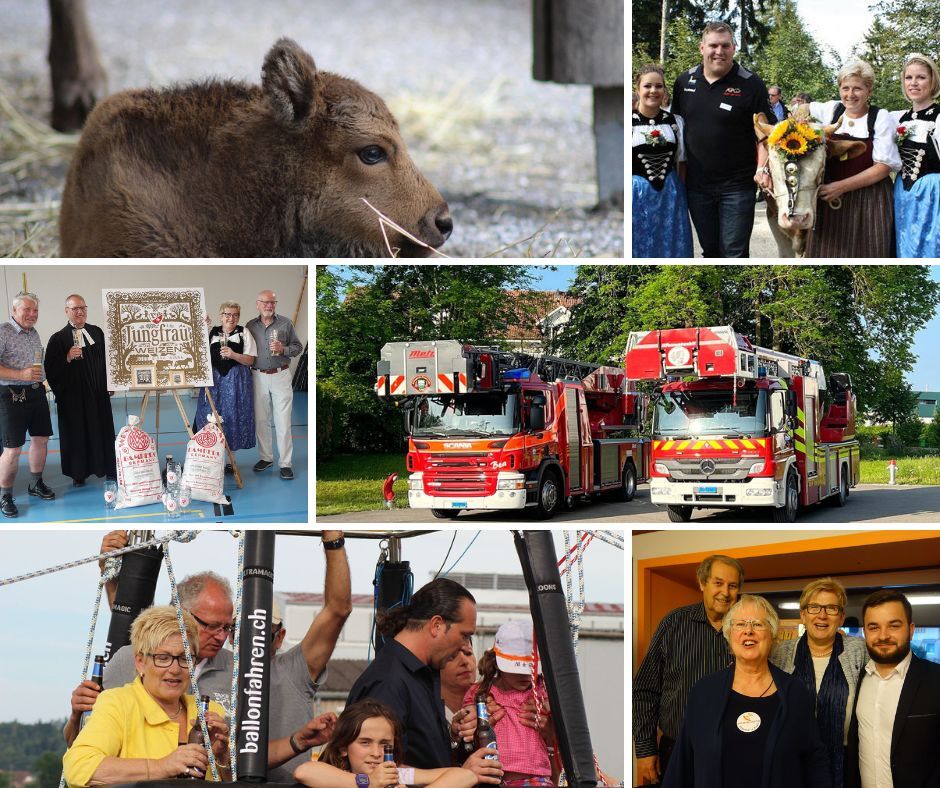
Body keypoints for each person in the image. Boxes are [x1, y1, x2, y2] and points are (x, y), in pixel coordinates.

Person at [65, 529, 350, 782]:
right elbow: (82, 758)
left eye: (228, 628)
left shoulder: (221, 694)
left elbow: (230, 770)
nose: (222, 636)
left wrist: (223, 755)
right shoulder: (123, 678)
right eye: (212, 626)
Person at [662, 594, 830, 788]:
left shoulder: (797, 694)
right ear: (729, 634)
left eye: (758, 624)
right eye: (740, 624)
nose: (748, 631)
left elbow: (815, 763)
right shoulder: (703, 693)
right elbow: (682, 764)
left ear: (772, 634)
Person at [346, 577, 499, 783]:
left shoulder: (420, 673)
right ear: (437, 625)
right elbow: (375, 767)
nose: (464, 646)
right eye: (464, 635)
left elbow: (420, 754)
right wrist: (459, 774)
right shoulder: (388, 681)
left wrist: (453, 738)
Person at [63, 605, 232, 785]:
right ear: (140, 662)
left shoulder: (210, 711)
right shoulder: (118, 703)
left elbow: (239, 782)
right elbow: (79, 767)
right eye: (163, 658)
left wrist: (224, 759)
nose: (174, 669)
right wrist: (162, 766)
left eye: (185, 659)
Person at [633, 554, 743, 784]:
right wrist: (645, 750)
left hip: (733, 752)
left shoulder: (747, 630)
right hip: (676, 750)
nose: (725, 592)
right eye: (718, 583)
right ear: (702, 583)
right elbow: (645, 689)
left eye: (732, 586)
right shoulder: (674, 624)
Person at [670, 21, 774, 257]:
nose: (719, 52)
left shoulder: (751, 83)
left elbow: (765, 135)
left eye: (725, 46)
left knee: (734, 253)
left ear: (734, 48)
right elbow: (676, 131)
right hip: (697, 186)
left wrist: (762, 169)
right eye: (713, 46)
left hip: (737, 187)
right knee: (710, 251)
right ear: (702, 48)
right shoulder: (683, 82)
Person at [771, 577, 867, 788]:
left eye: (831, 608)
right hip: (793, 760)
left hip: (846, 762)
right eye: (814, 607)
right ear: (803, 614)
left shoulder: (859, 651)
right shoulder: (781, 654)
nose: (822, 615)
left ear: (841, 617)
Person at [805, 60, 901, 257]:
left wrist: (841, 187)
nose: (850, 95)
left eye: (857, 88)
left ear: (869, 90)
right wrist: (799, 113)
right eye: (845, 88)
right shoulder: (832, 110)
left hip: (869, 200)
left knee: (869, 250)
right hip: (829, 197)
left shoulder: (879, 117)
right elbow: (806, 107)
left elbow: (883, 167)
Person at [845, 588, 940, 788]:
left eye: (894, 626)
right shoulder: (858, 678)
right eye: (873, 627)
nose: (883, 636)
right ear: (864, 632)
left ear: (911, 629)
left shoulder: (935, 679)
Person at [293, 700, 496, 788]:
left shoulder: (396, 774)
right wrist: (368, 783)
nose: (376, 753)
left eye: (384, 744)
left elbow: (465, 775)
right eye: (365, 743)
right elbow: (304, 771)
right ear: (344, 747)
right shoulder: (338, 777)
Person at [460, 619, 557, 787]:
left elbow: (564, 724)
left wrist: (548, 712)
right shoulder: (481, 692)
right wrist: (473, 714)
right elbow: (465, 719)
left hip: (536, 779)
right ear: (496, 662)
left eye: (531, 670)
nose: (525, 676)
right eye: (516, 669)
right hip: (490, 778)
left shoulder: (543, 691)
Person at [44, 294, 116, 487]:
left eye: (82, 307)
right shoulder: (58, 338)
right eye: (75, 308)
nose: (79, 312)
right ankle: (79, 473)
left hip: (98, 395)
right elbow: (50, 369)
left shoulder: (98, 332)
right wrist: (66, 357)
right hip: (73, 400)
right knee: (77, 435)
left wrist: (112, 383)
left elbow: (109, 361)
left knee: (102, 431)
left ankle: (107, 468)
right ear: (66, 311)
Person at [0, 291, 56, 517]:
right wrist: (21, 374)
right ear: (14, 311)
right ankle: (5, 495)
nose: (32, 314)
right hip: (11, 395)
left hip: (36, 393)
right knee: (12, 449)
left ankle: (35, 483)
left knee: (41, 439)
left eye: (35, 311)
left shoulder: (33, 333)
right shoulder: (3, 331)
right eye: (27, 310)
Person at [632, 63, 693, 257]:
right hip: (637, 195)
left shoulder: (675, 123)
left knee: (671, 246)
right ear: (638, 89)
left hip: (670, 195)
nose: (653, 91)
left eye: (659, 86)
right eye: (648, 86)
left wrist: (681, 193)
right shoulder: (629, 123)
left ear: (664, 90)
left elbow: (681, 162)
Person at [245, 290, 302, 480]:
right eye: (266, 303)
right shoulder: (250, 326)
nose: (269, 306)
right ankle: (266, 457)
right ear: (258, 304)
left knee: (283, 421)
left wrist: (283, 349)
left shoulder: (286, 323)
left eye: (273, 303)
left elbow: (297, 347)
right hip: (257, 376)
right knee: (261, 420)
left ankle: (285, 463)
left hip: (280, 375)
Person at [193, 301, 256, 473]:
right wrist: (201, 324)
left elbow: (250, 360)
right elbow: (198, 348)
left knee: (233, 414)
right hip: (214, 381)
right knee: (210, 414)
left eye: (235, 314)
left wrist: (234, 354)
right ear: (221, 316)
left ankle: (230, 459)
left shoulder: (244, 332)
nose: (231, 318)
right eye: (227, 314)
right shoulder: (212, 332)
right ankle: (211, 455)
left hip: (236, 380)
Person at [891, 53, 940, 258]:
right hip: (902, 192)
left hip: (933, 192)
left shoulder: (938, 116)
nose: (914, 83)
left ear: (932, 81)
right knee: (905, 245)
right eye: (909, 78)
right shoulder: (897, 118)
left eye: (921, 77)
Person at [441, 641, 476, 723]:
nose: (464, 661)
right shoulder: (423, 711)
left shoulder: (494, 701)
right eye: (452, 656)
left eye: (468, 653)